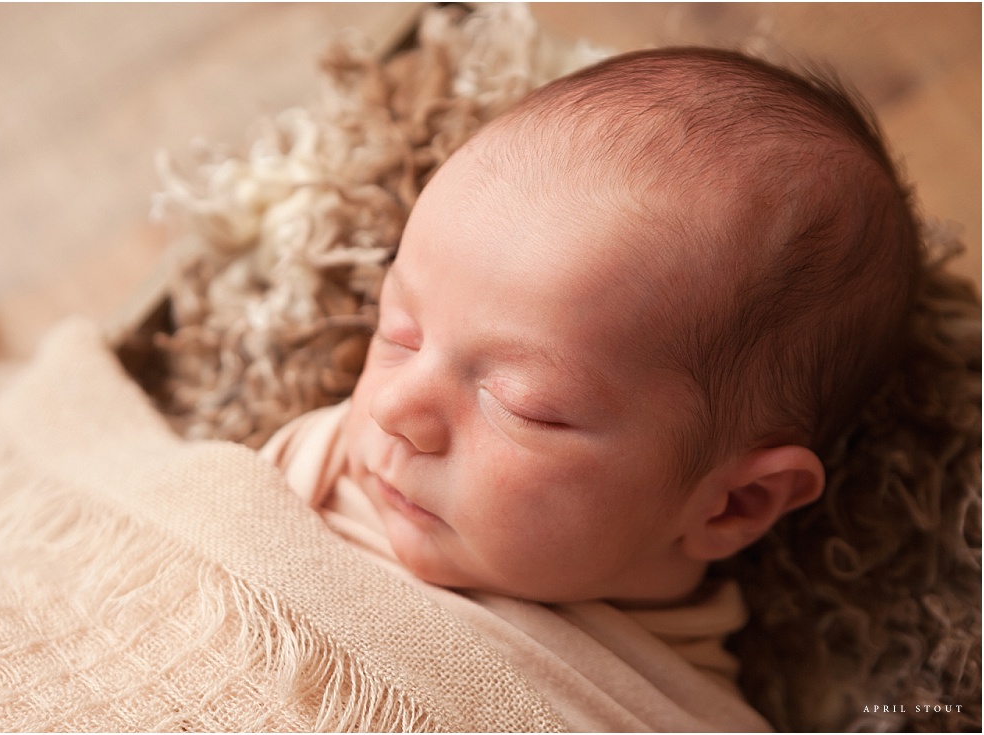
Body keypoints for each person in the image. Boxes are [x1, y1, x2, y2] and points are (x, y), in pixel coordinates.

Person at [262, 46, 921, 730]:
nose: (394, 410)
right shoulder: (319, 467)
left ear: (733, 505)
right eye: (400, 333)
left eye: (522, 404)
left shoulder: (666, 712)